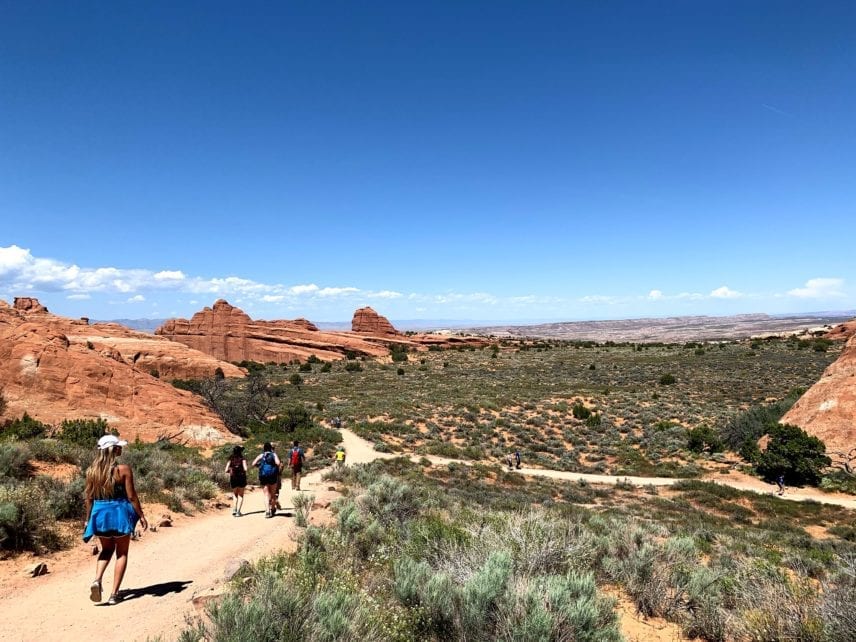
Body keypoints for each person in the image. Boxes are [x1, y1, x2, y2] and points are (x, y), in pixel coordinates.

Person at [83, 434, 148, 605]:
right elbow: (132, 496)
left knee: (106, 550)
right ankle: (114, 594)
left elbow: (89, 498)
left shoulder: (92, 471)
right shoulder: (123, 470)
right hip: (118, 513)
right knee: (122, 552)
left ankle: (97, 580)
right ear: (113, 449)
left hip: (100, 514)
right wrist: (141, 515)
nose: (121, 448)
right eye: (119, 446)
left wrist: (88, 519)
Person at [252, 443, 281, 518]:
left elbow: (253, 463)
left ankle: (267, 511)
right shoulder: (274, 454)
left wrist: (259, 466)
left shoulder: (261, 455)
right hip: (272, 476)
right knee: (273, 493)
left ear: (264, 448)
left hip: (263, 476)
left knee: (266, 494)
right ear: (271, 448)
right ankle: (273, 508)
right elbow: (278, 463)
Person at [224, 445, 247, 517]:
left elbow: (225, 470)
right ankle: (238, 512)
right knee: (240, 495)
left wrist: (231, 470)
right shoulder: (243, 459)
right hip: (241, 478)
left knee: (235, 494)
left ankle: (234, 509)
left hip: (233, 478)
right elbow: (245, 469)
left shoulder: (231, 459)